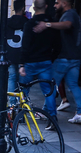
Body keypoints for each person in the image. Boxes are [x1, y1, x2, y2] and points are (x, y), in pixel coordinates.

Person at [34, 0, 81, 124]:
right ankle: (80, 113)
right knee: (73, 84)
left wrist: (47, 25)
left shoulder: (69, 14)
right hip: (75, 57)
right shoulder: (75, 14)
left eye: (57, 3)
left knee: (50, 84)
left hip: (64, 57)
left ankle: (45, 111)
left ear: (65, 3)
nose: (54, 5)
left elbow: (67, 25)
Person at [19, 0, 58, 128]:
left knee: (24, 89)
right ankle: (52, 118)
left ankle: (22, 115)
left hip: (30, 61)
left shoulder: (29, 24)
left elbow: (25, 45)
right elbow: (58, 44)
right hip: (45, 61)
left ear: (34, 8)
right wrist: (51, 57)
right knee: (48, 91)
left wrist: (22, 64)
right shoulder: (51, 24)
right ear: (46, 6)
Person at [6, 0, 29, 105]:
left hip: (10, 53)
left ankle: (12, 103)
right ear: (23, 8)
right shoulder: (27, 22)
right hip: (22, 55)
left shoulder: (7, 22)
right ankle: (22, 104)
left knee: (12, 78)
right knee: (23, 81)